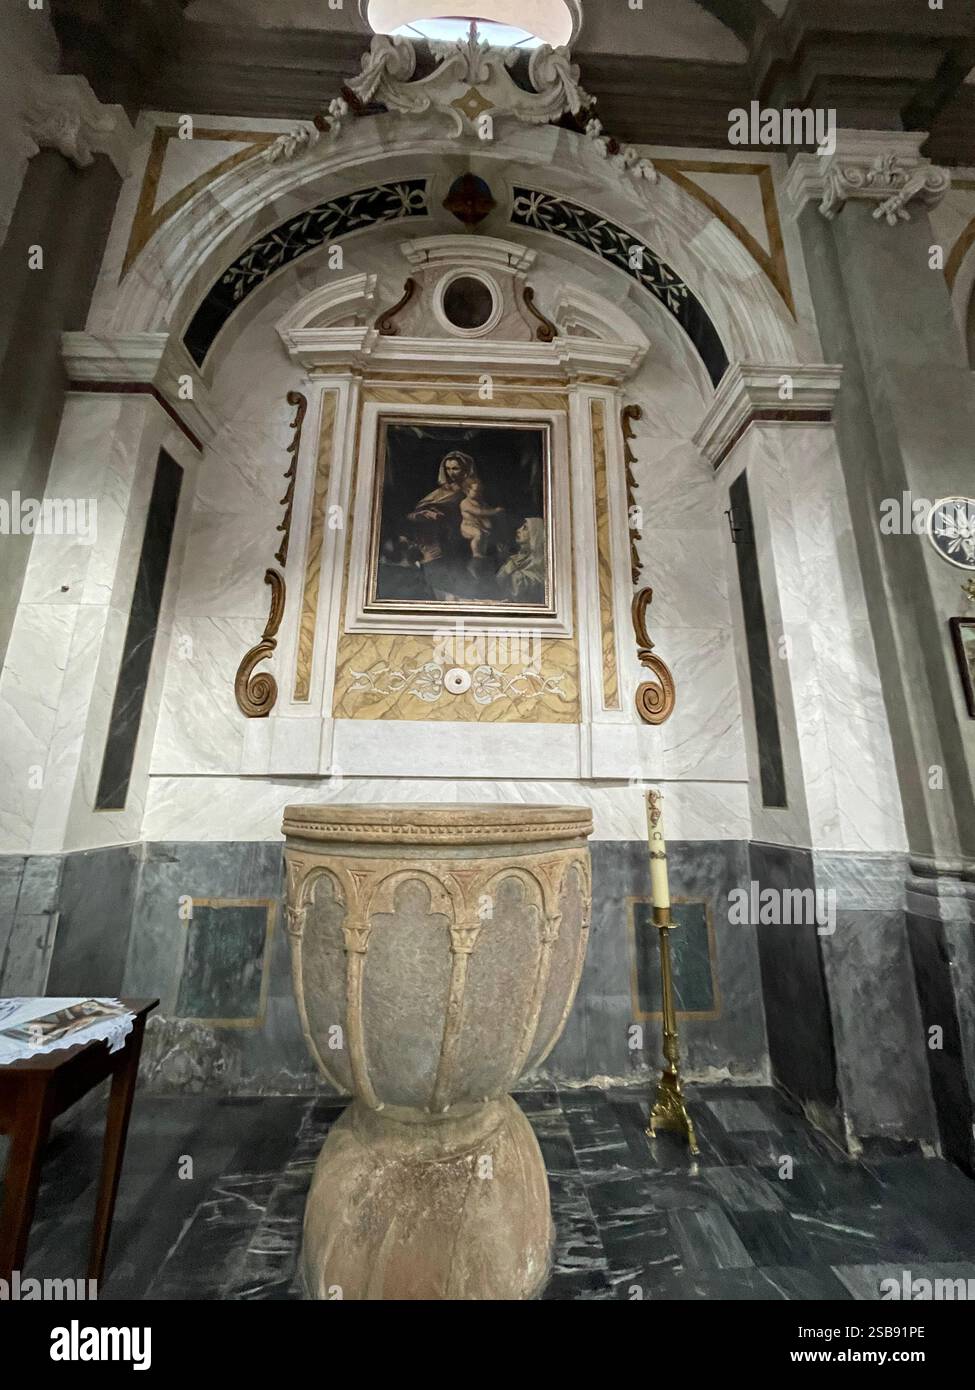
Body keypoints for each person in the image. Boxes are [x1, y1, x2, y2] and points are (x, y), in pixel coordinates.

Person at [497, 516, 546, 604]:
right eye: (521, 527)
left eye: (525, 528)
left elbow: (523, 591)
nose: (518, 530)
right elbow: (498, 583)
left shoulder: (539, 562)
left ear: (535, 534)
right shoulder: (514, 558)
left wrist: (511, 568)